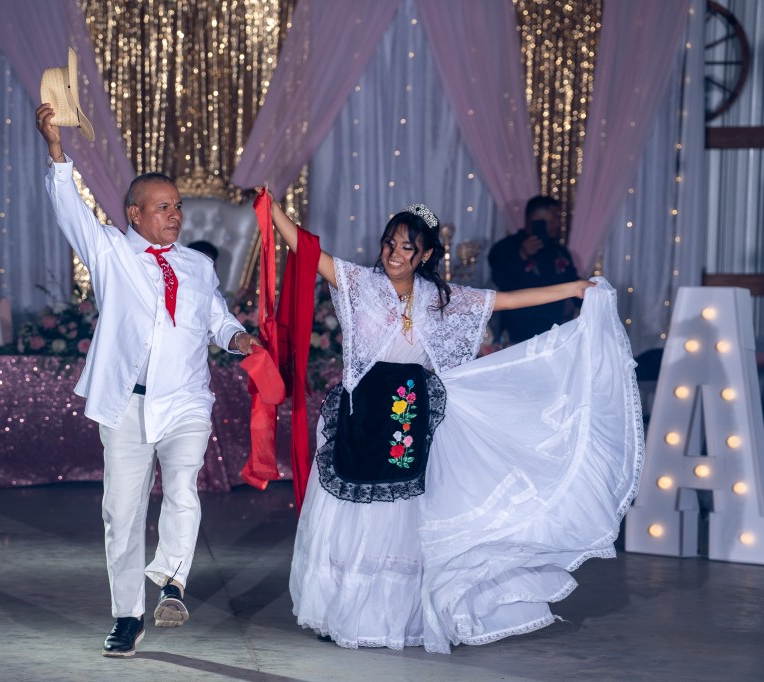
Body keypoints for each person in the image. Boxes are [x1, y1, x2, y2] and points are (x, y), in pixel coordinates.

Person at [259, 189, 642, 653]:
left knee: (400, 522)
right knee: (354, 518)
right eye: (389, 243)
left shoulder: (441, 299)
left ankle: (395, 620)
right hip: (364, 415)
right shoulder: (360, 284)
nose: (394, 254)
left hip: (411, 416)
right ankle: (343, 613)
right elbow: (307, 250)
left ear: (424, 255)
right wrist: (273, 208)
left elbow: (507, 300)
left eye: (407, 247)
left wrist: (575, 288)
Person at [36, 103, 261, 658]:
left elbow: (217, 320)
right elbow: (71, 212)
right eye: (163, 207)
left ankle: (173, 581)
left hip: (185, 399)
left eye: (177, 206)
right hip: (127, 405)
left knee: (183, 487)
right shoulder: (110, 251)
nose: (175, 215)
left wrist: (238, 338)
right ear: (135, 214)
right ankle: (127, 616)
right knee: (122, 512)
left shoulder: (198, 266)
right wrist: (57, 151)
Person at [488, 196, 580, 344]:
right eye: (553, 219)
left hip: (552, 335)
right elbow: (500, 281)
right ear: (536, 219)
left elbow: (573, 283)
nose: (558, 224)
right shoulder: (506, 247)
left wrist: (593, 296)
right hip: (514, 336)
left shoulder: (559, 252)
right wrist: (522, 255)